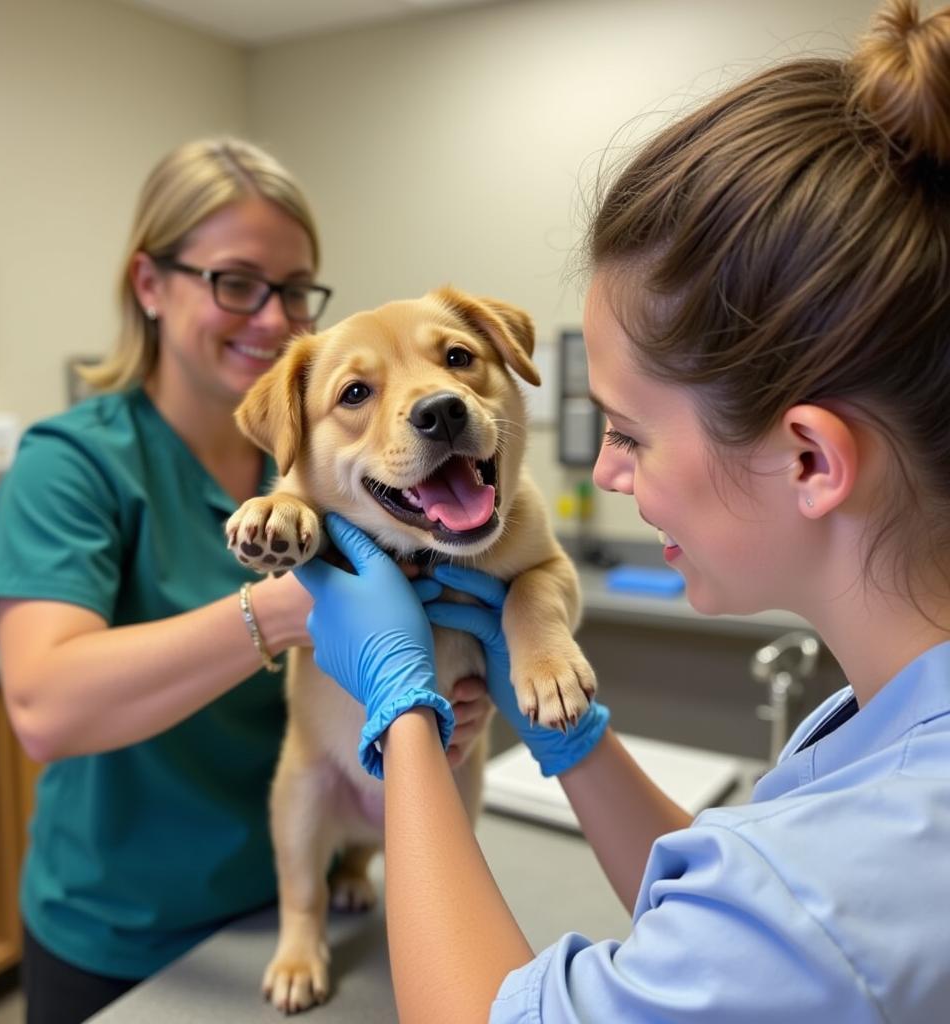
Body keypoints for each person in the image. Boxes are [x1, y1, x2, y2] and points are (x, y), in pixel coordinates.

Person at [290, 2, 950, 1020]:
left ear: (810, 458)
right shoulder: (882, 722)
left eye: (630, 432)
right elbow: (720, 893)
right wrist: (575, 740)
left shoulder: (850, 888)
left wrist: (405, 715)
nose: (602, 472)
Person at [0, 136, 490, 1024]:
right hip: (129, 929)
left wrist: (439, 704)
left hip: (306, 894)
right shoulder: (74, 463)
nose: (276, 320)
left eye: (297, 288)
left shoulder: (337, 454)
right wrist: (288, 607)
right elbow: (46, 706)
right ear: (150, 284)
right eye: (236, 283)